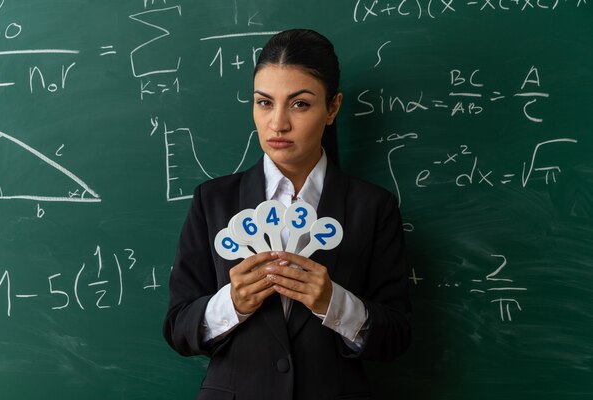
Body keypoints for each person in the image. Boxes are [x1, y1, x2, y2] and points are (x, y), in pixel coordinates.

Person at [163, 29, 411, 400]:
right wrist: (231, 303)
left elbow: (397, 337)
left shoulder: (373, 207)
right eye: (264, 102)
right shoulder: (212, 201)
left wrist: (334, 302)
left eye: (299, 104)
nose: (277, 123)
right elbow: (177, 328)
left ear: (333, 108)